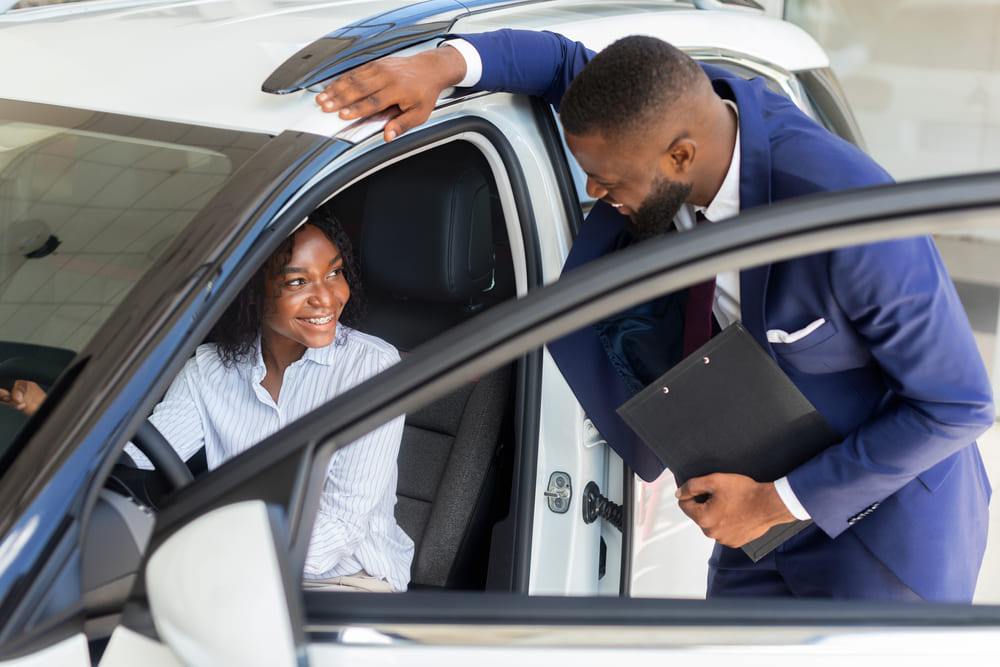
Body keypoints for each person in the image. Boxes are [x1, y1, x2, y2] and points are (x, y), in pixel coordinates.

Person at [313, 30, 994, 603]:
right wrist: (447, 63)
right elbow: (564, 65)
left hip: (881, 538)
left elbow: (958, 404)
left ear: (680, 157)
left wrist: (779, 499)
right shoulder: (659, 112)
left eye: (608, 179)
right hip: (746, 515)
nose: (593, 190)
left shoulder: (845, 219)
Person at [3, 210, 414, 592]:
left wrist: (204, 549)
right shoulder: (210, 368)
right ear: (250, 291)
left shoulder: (372, 367)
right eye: (297, 282)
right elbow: (139, 456)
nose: (326, 298)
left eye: (335, 273)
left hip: (347, 582)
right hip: (235, 573)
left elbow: (337, 532)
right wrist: (50, 414)